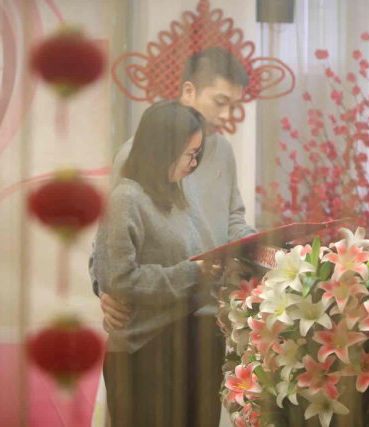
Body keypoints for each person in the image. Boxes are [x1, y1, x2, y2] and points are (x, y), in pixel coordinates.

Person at [90, 47, 257, 426]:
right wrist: (106, 289)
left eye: (234, 106)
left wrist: (263, 247)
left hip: (210, 319)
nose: (227, 115)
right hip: (152, 330)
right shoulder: (136, 155)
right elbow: (106, 245)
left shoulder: (223, 152)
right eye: (220, 102)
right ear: (188, 91)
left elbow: (234, 220)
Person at [93, 101, 224, 426]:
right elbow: (117, 278)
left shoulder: (174, 195)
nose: (194, 163)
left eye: (197, 154)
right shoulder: (126, 199)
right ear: (162, 150)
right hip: (144, 354)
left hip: (186, 343)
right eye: (189, 154)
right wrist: (194, 272)